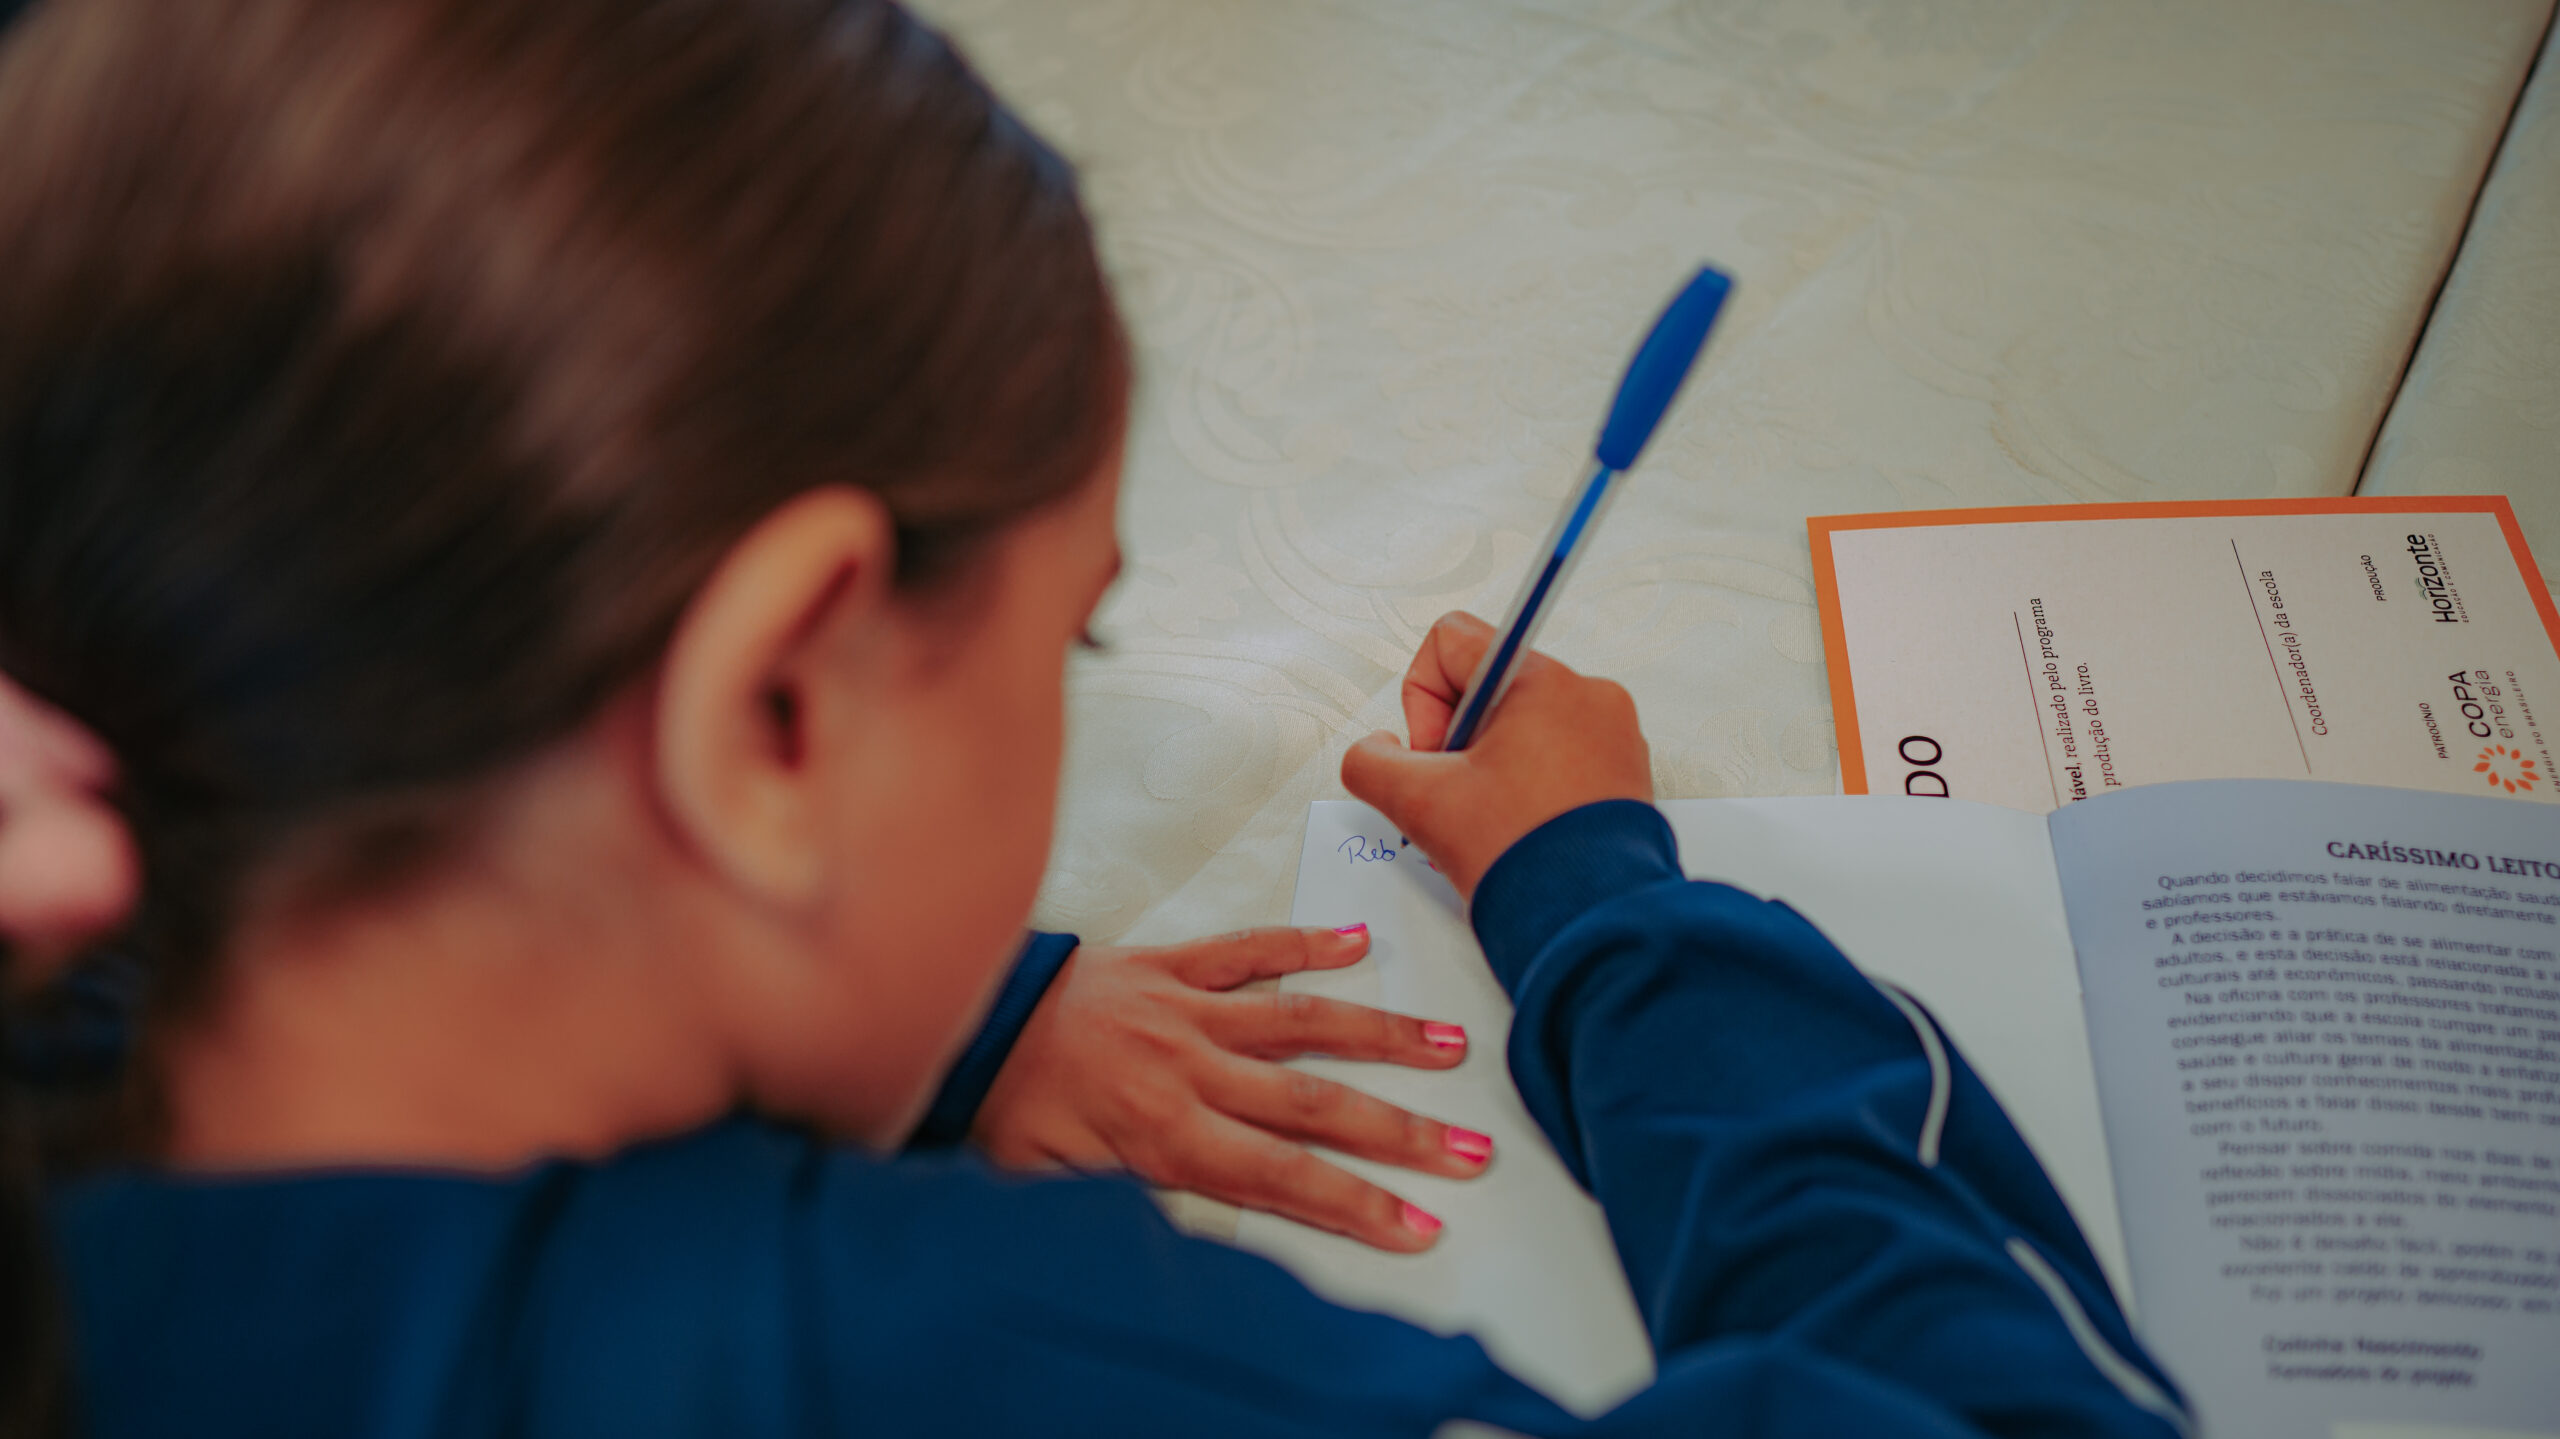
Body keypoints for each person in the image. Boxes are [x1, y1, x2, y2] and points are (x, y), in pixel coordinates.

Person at [0, 1, 2191, 1435]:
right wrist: (1607, 904)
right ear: (776, 711)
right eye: (1076, 642)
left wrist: (933, 1017)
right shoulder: (989, 1361)